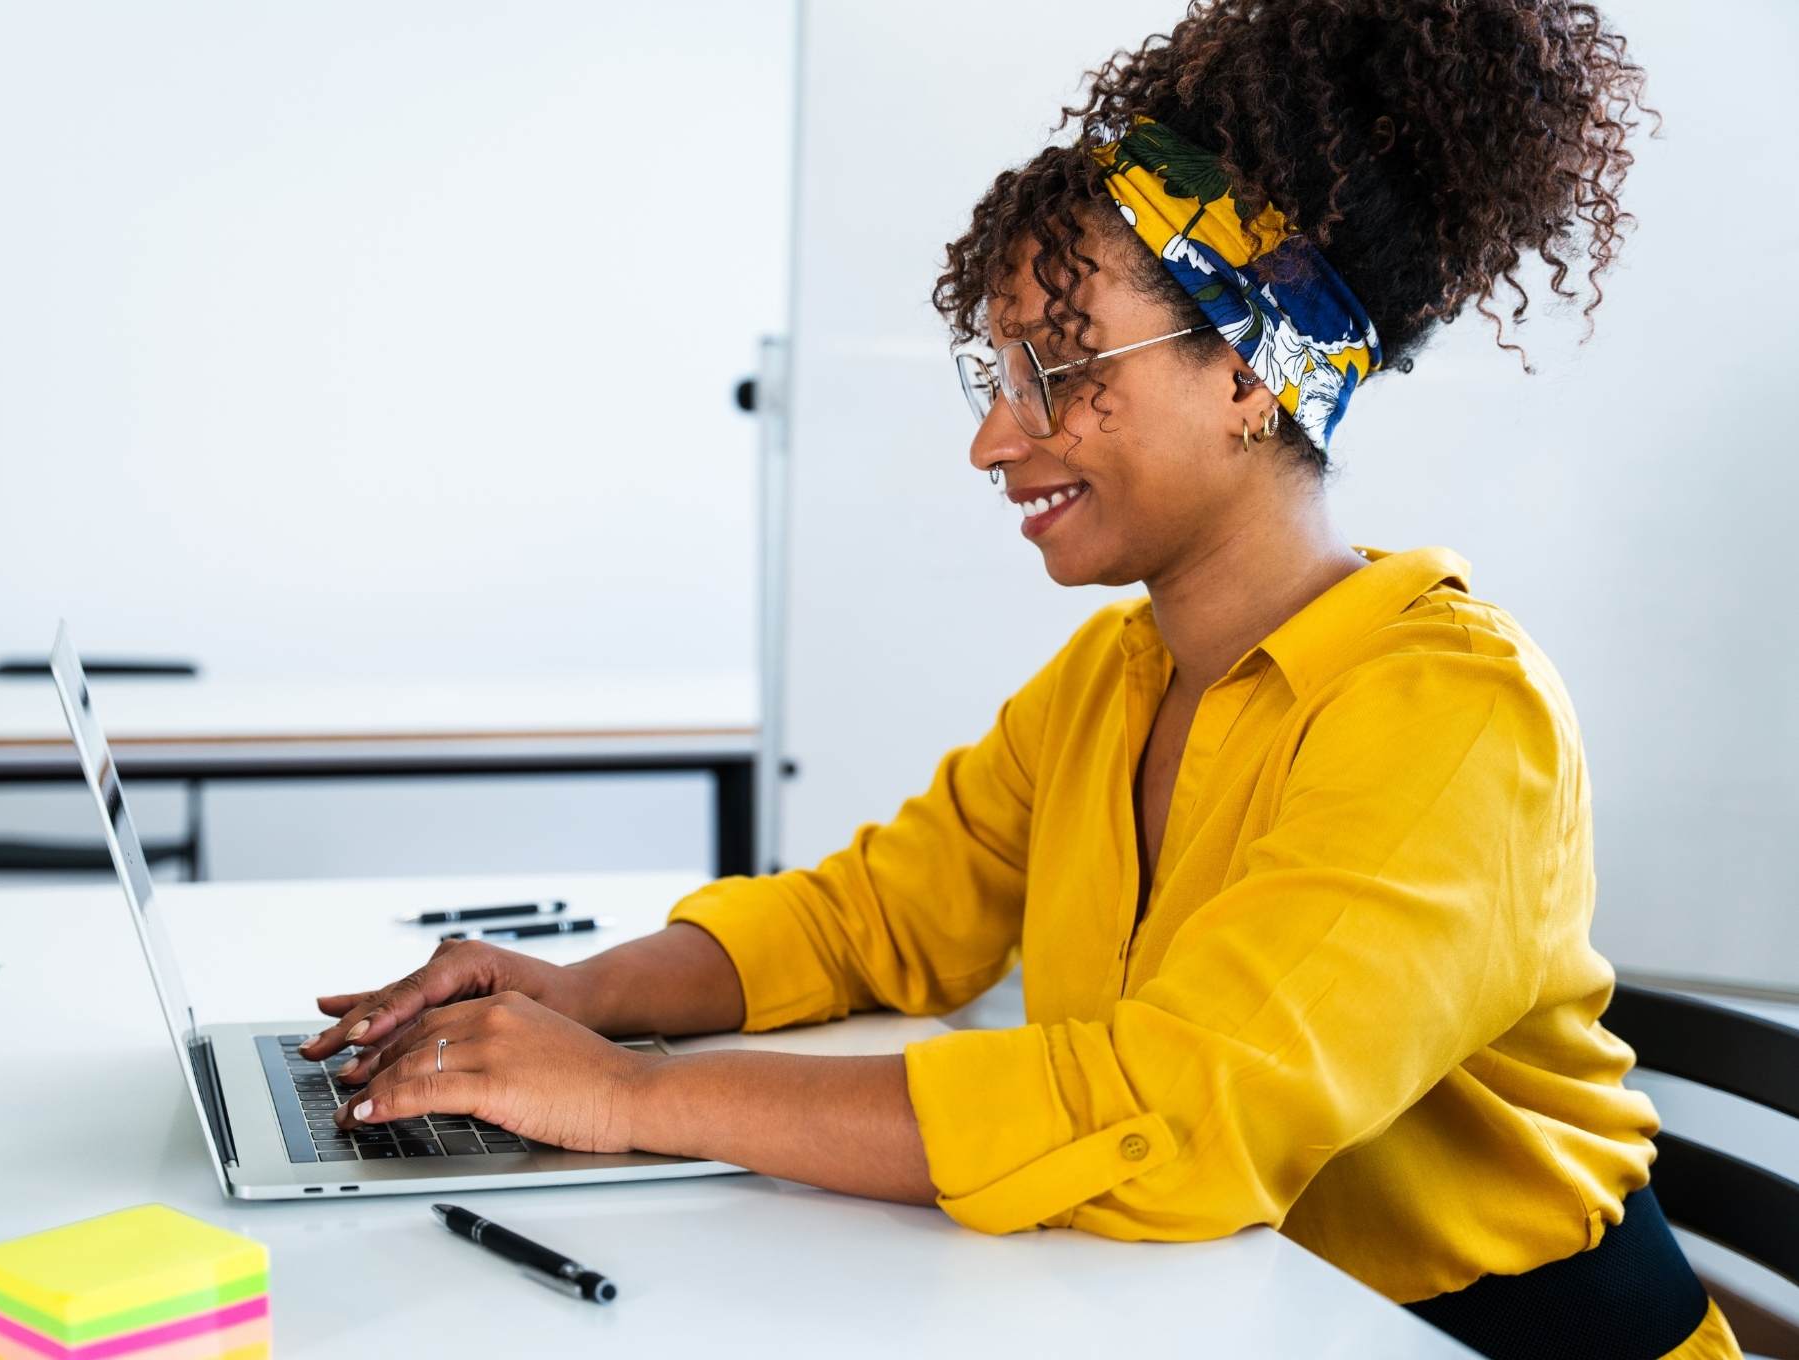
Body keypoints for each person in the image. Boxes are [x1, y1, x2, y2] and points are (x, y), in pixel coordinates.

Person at [302, 2, 1739, 1354]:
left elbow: (1177, 1123)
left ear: (1254, 378)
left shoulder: (1454, 720)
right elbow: (873, 922)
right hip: (1238, 1317)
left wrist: (635, 1100)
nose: (996, 441)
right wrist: (581, 997)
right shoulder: (1116, 678)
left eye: (1060, 368)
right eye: (996, 376)